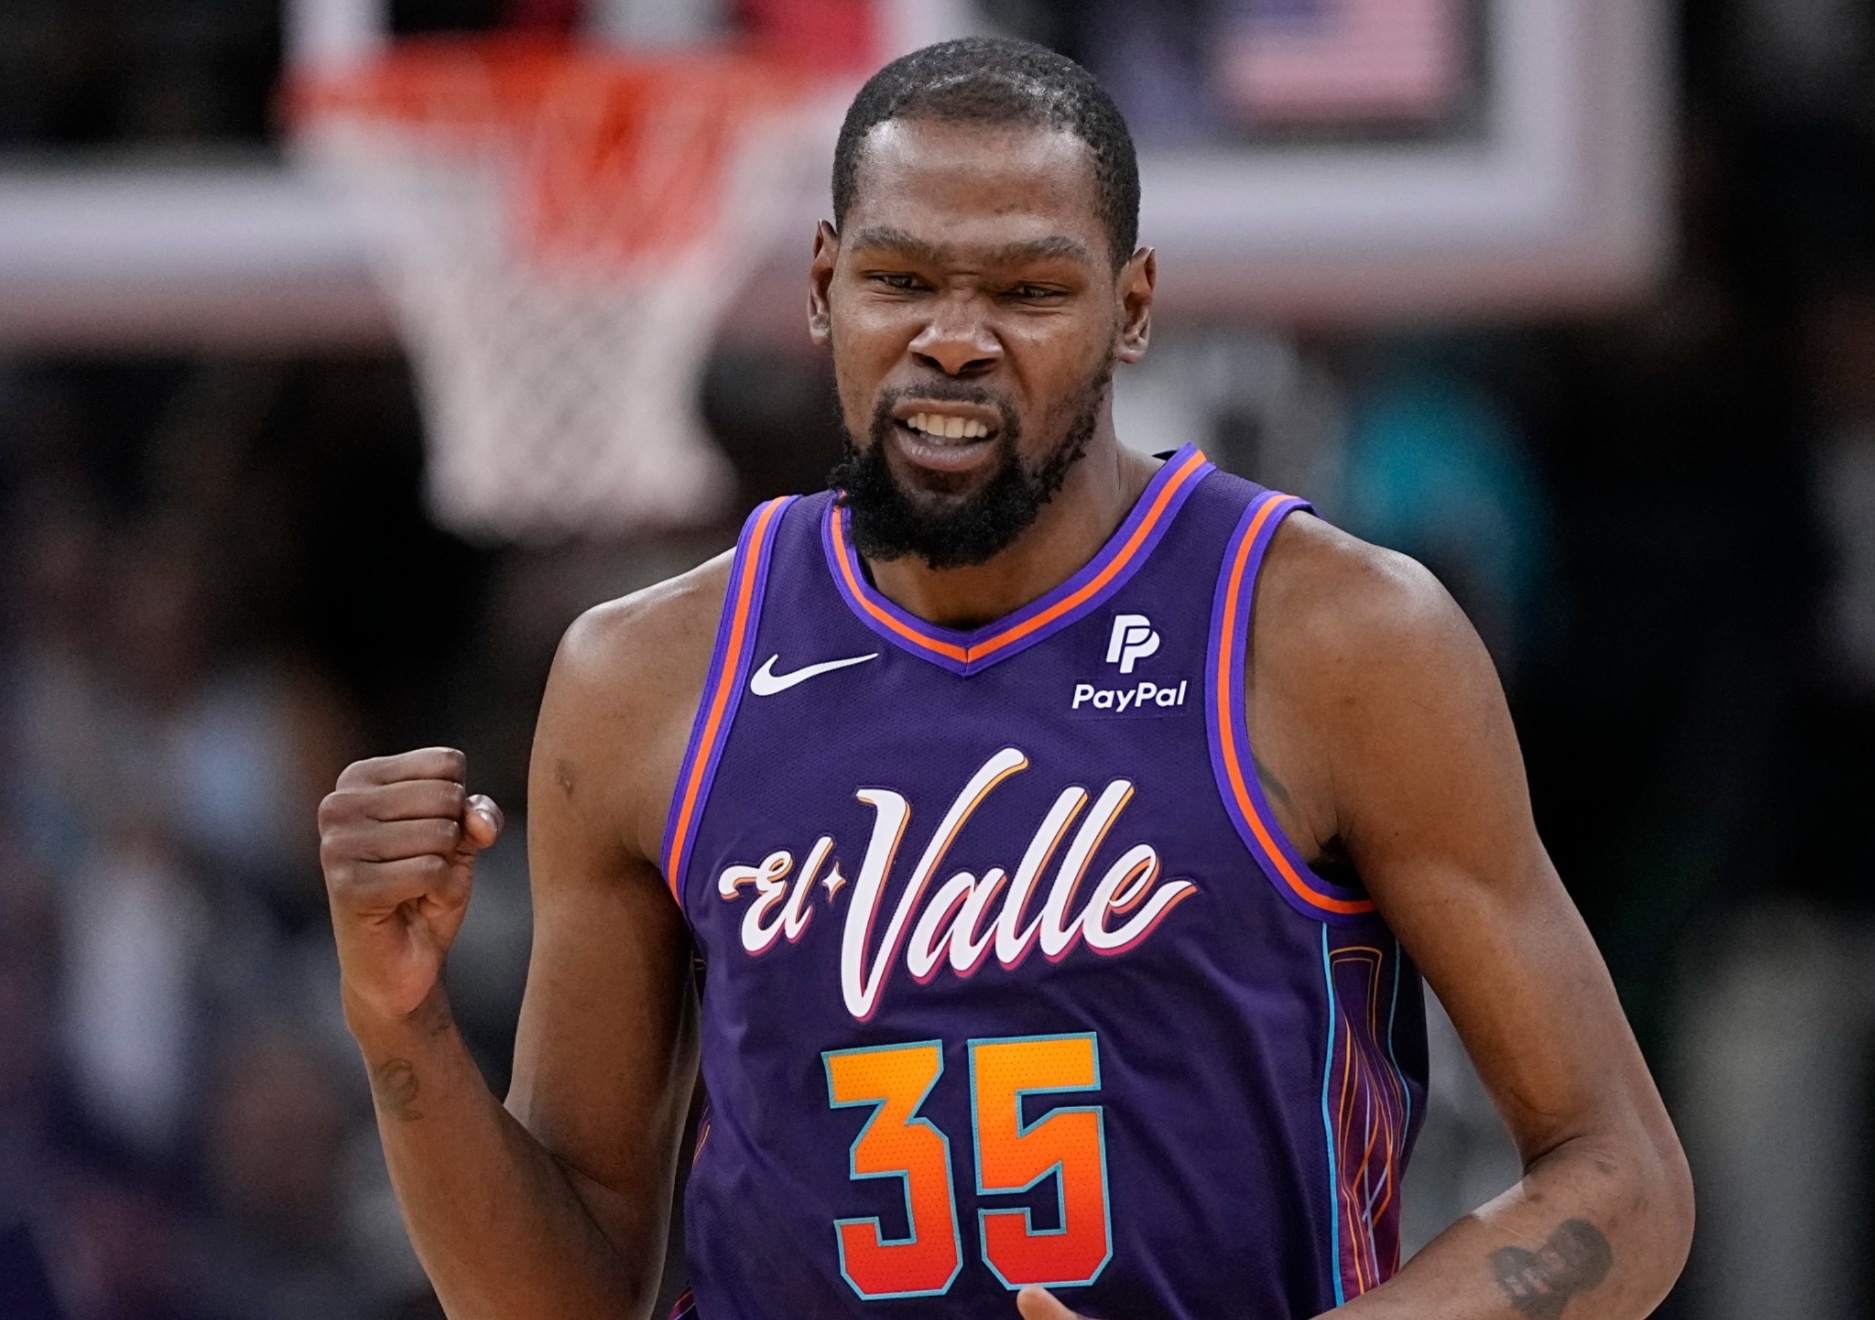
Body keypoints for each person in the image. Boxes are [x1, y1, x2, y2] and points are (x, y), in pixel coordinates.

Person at [316, 37, 1692, 1320]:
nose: (957, 337)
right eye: (901, 280)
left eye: (1029, 290)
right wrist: (405, 1029)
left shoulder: (1333, 637)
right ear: (820, 286)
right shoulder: (647, 679)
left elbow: (1621, 1180)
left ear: (1131, 307)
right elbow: (574, 1289)